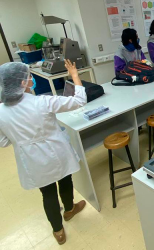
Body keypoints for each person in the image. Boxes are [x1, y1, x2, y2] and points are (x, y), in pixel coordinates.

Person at [0, 60, 87, 245]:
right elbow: (79, 101)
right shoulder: (42, 102)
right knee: (65, 180)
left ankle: (58, 231)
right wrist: (74, 75)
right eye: (29, 76)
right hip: (57, 151)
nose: (32, 79)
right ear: (22, 83)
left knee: (47, 194)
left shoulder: (1, 112)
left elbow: (3, 141)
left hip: (32, 161)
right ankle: (70, 210)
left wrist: (20, 137)